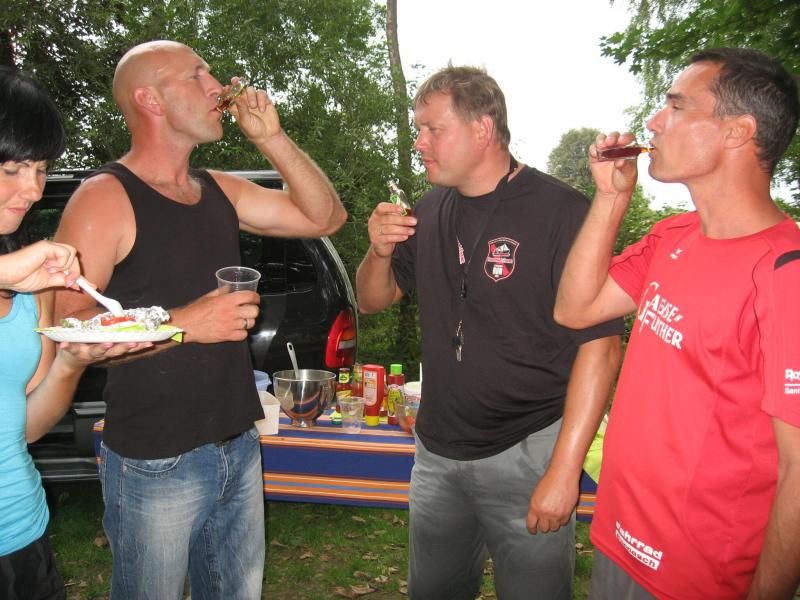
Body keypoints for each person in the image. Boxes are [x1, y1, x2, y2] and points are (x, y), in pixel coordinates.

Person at [53, 40, 346, 599]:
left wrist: (272, 138)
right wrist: (184, 323)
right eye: (197, 75)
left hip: (238, 443)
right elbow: (72, 330)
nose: (218, 86)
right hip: (154, 458)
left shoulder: (219, 189)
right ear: (151, 99)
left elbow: (325, 217)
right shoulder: (105, 198)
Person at [356, 65, 623, 600]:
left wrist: (564, 470)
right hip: (437, 452)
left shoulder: (562, 211)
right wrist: (378, 250)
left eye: (433, 129)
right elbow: (371, 299)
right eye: (418, 129)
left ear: (482, 129)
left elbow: (601, 347)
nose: (419, 142)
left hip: (528, 450)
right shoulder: (429, 208)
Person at [554, 48, 800, 599]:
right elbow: (575, 309)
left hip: (697, 576)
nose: (653, 121)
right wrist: (610, 197)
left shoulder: (786, 275)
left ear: (737, 132)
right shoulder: (673, 237)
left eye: (677, 106)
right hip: (618, 541)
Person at [0, 66, 150, 600]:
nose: (33, 189)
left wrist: (71, 361)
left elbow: (27, 427)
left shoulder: (31, 283)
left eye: (41, 169)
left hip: (20, 533)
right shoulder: (17, 269)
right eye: (13, 168)